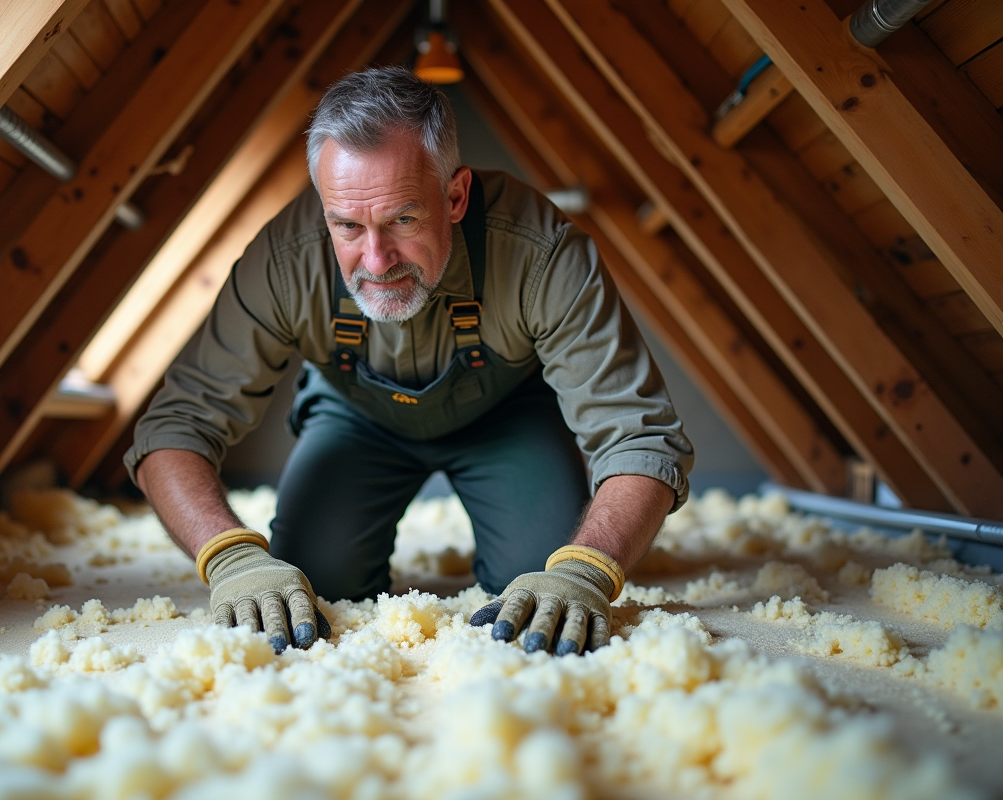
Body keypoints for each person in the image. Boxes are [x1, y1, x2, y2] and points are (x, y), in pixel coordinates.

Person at [125, 66, 693, 657]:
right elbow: (173, 428)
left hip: (507, 419)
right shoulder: (282, 260)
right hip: (352, 419)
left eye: (402, 219)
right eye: (347, 225)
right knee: (315, 586)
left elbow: (641, 437)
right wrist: (231, 559)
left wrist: (589, 571)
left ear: (454, 196)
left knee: (543, 587)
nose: (376, 259)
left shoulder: (542, 254)